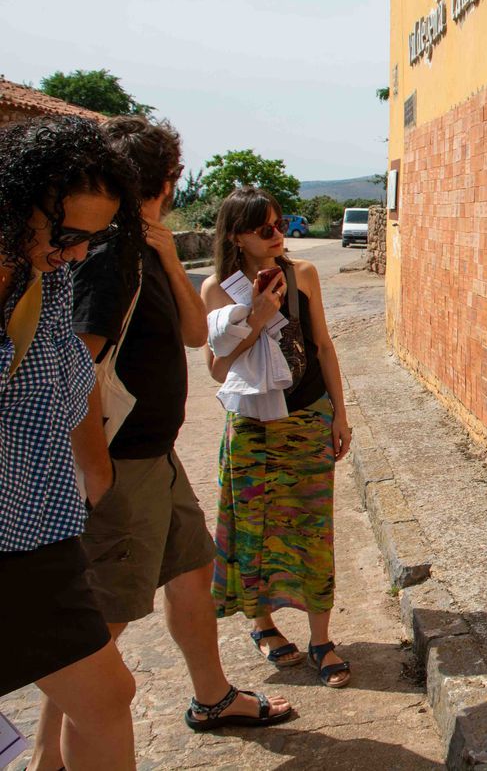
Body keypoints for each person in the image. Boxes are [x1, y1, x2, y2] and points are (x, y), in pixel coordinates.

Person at [32, 120, 293, 767]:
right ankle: (49, 761)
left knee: (192, 571)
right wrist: (99, 474)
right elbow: (71, 371)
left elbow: (195, 334)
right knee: (94, 643)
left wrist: (172, 256)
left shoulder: (144, 251)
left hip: (157, 458)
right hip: (123, 468)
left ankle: (211, 696)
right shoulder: (107, 262)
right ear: (166, 183)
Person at [0, 114, 143, 771]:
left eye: (96, 237)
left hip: (35, 530)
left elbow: (64, 391)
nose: (79, 253)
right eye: (65, 234)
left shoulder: (48, 279)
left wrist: (94, 471)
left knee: (109, 697)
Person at [201, 187, 354, 687]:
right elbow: (216, 368)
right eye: (264, 229)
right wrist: (258, 320)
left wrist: (339, 415)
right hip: (251, 427)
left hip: (306, 416)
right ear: (237, 236)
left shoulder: (302, 274)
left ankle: (321, 638)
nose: (277, 234)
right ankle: (262, 623)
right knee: (254, 525)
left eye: (279, 223)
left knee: (312, 527)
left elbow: (324, 346)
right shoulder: (217, 290)